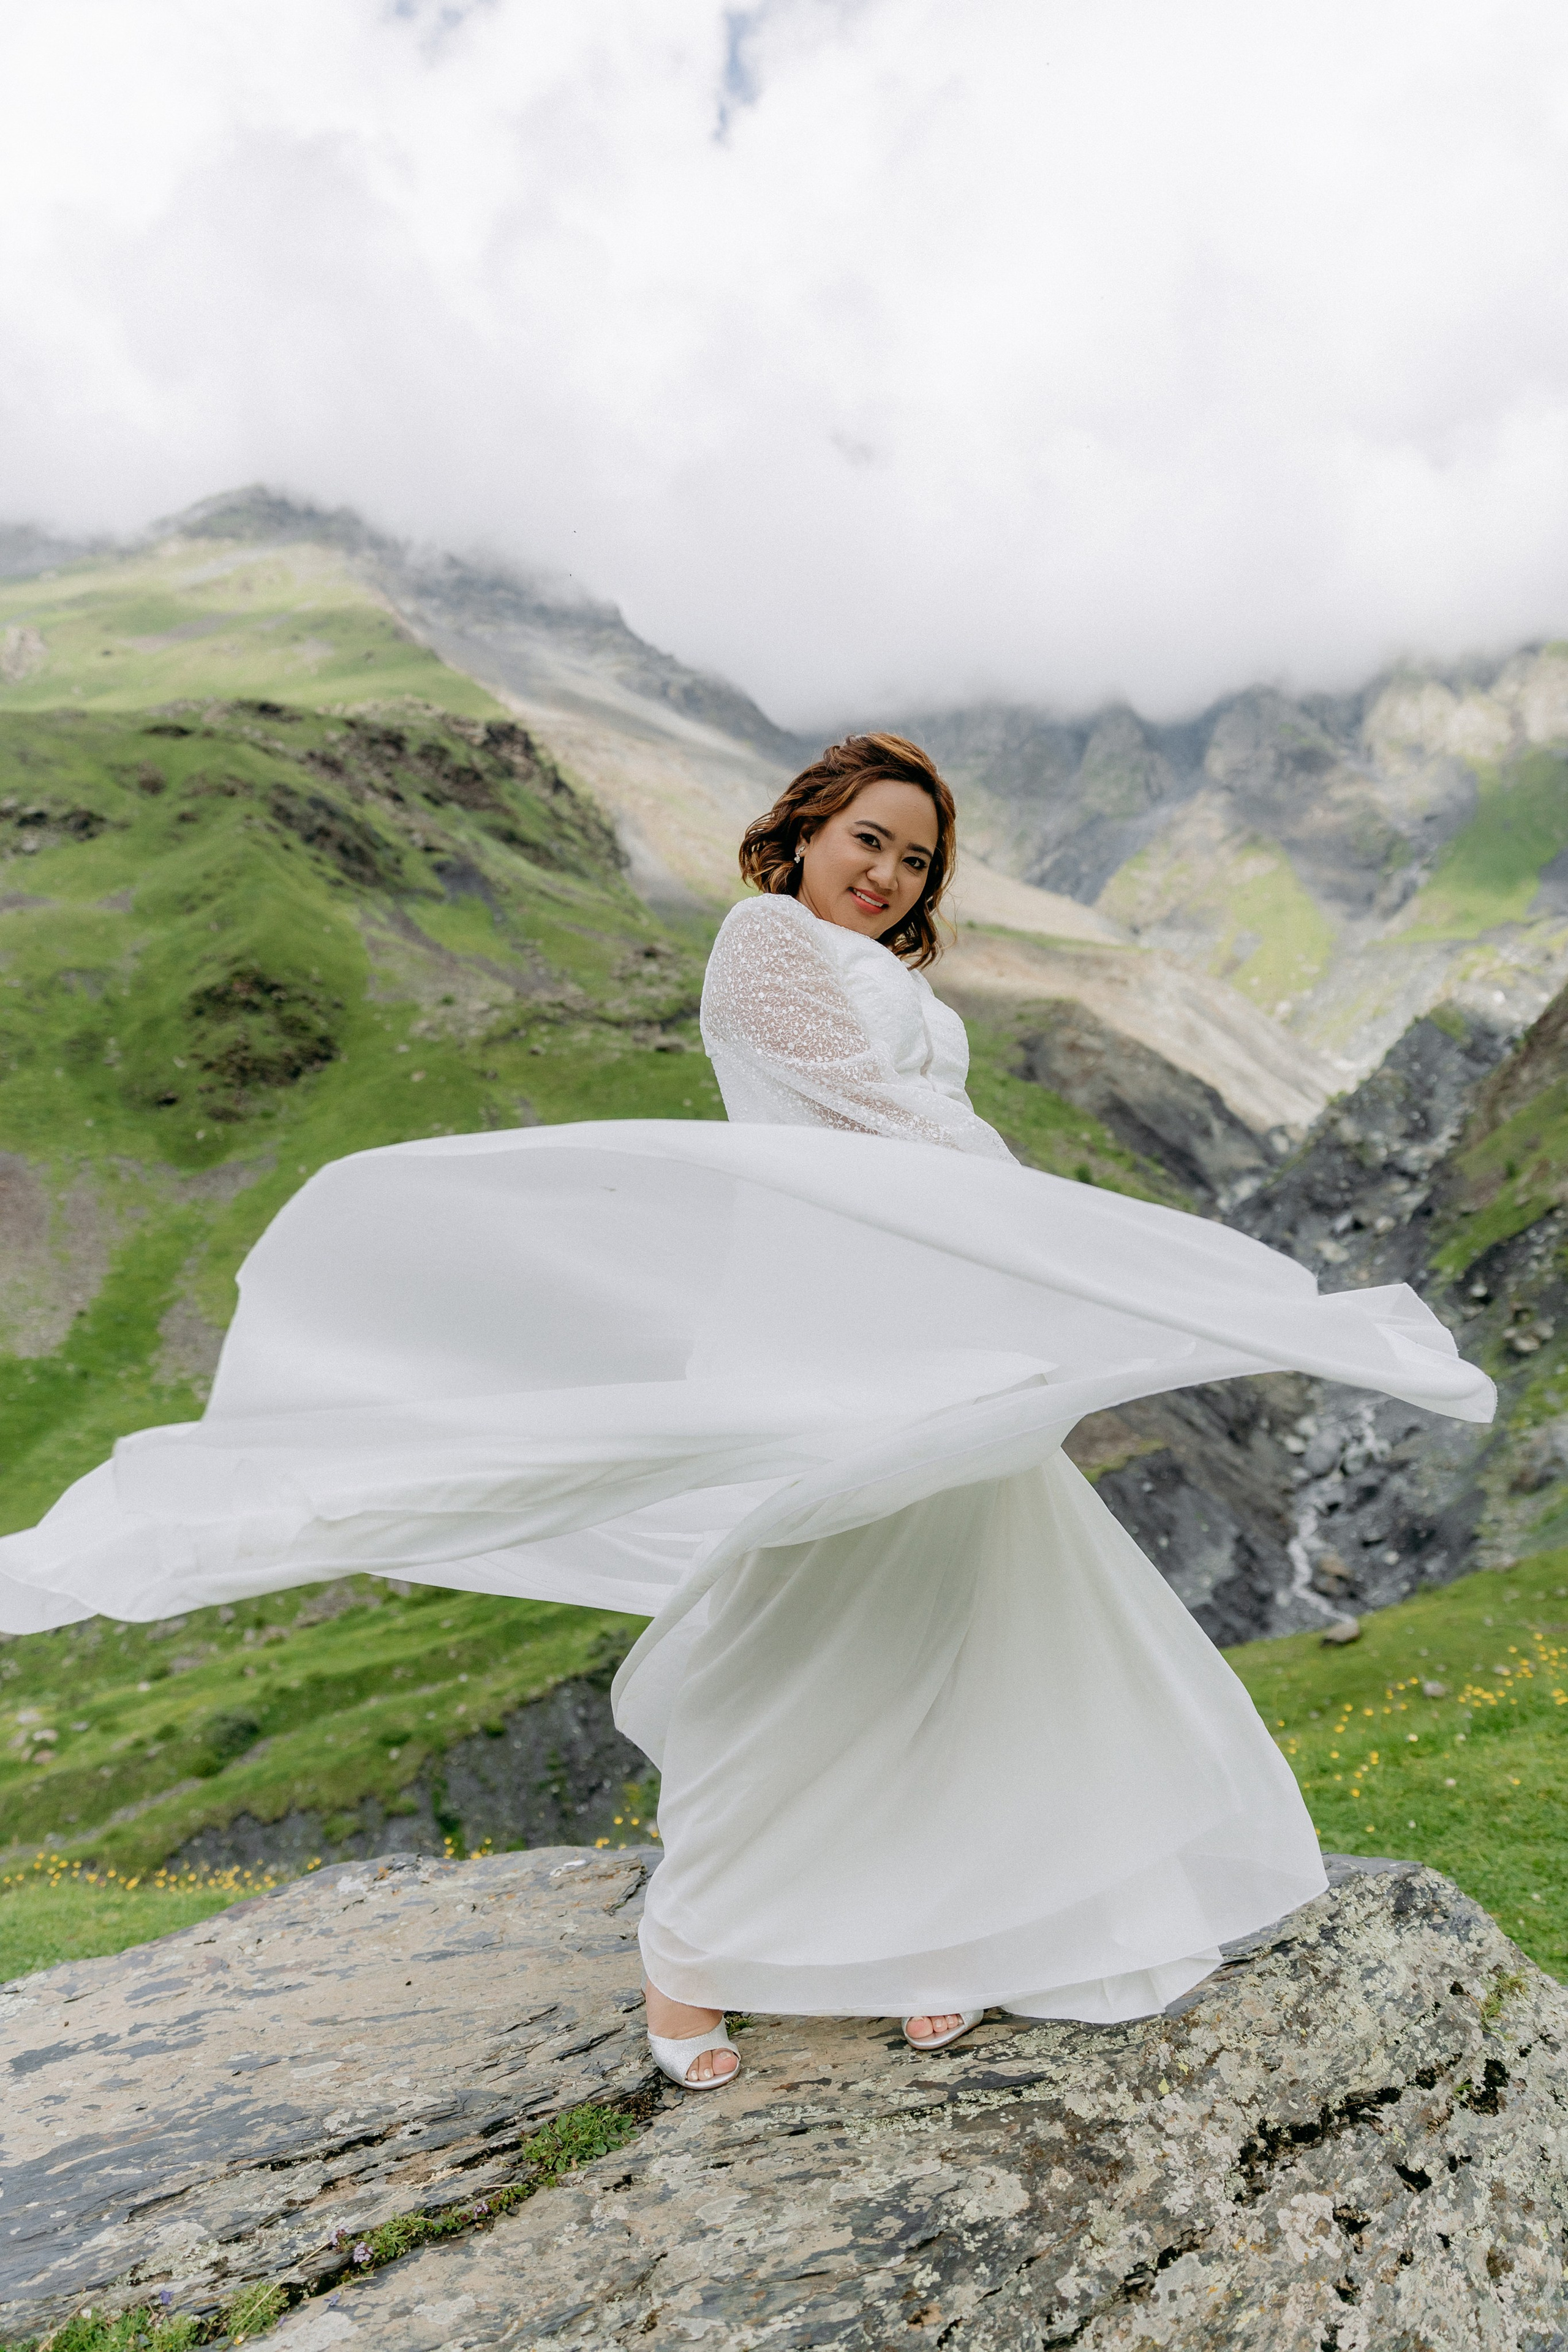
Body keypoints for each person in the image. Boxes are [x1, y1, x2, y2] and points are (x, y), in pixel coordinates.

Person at [0, 734, 1492, 2096]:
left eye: (914, 860)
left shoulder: (893, 977)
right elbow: (862, 1116)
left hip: (932, 1335)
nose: (888, 873)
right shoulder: (761, 940)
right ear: (803, 831)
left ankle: (935, 1928)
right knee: (802, 1631)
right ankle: (688, 1957)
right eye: (869, 839)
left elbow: (917, 1131)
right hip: (821, 1333)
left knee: (954, 1632)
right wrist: (1042, 1217)